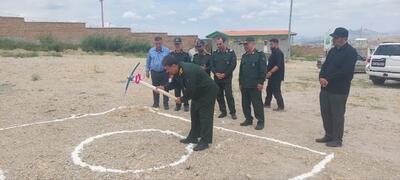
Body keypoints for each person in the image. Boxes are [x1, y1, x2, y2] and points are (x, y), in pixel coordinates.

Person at [158, 55, 218, 151]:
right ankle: (193, 136)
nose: (167, 72)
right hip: (198, 92)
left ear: (174, 66)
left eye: (167, 69)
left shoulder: (188, 71)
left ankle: (205, 141)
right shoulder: (178, 70)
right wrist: (164, 87)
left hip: (207, 92)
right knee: (194, 113)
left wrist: (181, 99)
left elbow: (190, 91)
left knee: (205, 116)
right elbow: (175, 83)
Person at [316, 27, 358, 147]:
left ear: (344, 38)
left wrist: (327, 79)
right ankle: (328, 135)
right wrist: (321, 77)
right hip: (325, 88)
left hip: (339, 90)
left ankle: (337, 139)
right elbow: (324, 66)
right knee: (326, 113)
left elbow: (345, 72)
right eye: (333, 37)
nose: (334, 39)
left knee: (337, 114)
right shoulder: (332, 51)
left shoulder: (351, 52)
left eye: (336, 37)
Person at [239, 37, 267, 130]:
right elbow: (241, 71)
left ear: (252, 44)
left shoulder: (260, 55)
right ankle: (248, 119)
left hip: (255, 85)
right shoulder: (244, 56)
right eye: (244, 45)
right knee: (245, 104)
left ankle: (260, 121)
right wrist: (240, 83)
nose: (245, 46)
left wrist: (261, 82)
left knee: (257, 104)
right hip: (245, 85)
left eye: (246, 44)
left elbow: (263, 70)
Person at [211, 36, 237, 120]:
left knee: (229, 95)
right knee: (219, 95)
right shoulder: (214, 53)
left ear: (225, 43)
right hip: (217, 78)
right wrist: (216, 73)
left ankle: (232, 112)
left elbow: (233, 65)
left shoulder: (231, 53)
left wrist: (225, 74)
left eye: (220, 44)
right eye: (217, 44)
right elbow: (211, 65)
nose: (219, 45)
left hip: (227, 79)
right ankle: (223, 111)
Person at [146, 36, 170, 110]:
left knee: (166, 87)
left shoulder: (167, 50)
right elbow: (148, 61)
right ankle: (156, 103)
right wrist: (147, 70)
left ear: (162, 42)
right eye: (157, 43)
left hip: (164, 72)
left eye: (159, 43)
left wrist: (170, 72)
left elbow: (169, 61)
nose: (158, 45)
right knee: (155, 88)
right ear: (155, 43)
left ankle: (166, 104)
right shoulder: (151, 50)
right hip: (154, 72)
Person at [169, 37, 191, 112]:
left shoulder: (185, 54)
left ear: (181, 44)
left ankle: (186, 105)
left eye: (178, 44)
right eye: (176, 44)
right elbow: (169, 65)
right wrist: (170, 74)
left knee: (185, 91)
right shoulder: (171, 54)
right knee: (177, 91)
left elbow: (188, 65)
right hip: (175, 77)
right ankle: (178, 105)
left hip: (184, 77)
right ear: (174, 44)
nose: (177, 45)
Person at [264, 38, 285, 111]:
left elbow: (278, 65)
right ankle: (267, 104)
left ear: (276, 44)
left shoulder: (279, 53)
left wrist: (270, 72)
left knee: (276, 91)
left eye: (271, 44)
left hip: (276, 76)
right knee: (269, 90)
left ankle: (281, 107)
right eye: (270, 44)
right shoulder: (273, 53)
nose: (270, 46)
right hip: (272, 76)